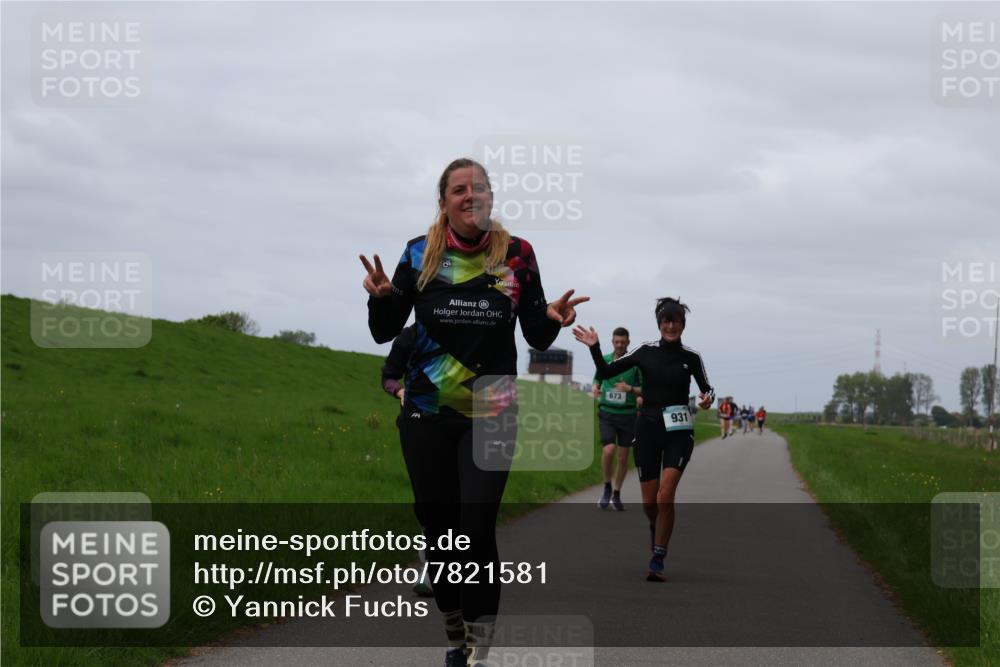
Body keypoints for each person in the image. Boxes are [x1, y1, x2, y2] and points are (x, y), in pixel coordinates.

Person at [361, 157, 587, 667]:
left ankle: (479, 648)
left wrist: (553, 318)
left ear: (490, 198)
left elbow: (534, 332)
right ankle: (452, 629)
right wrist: (380, 298)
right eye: (459, 190)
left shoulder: (518, 254)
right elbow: (384, 328)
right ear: (443, 202)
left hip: (492, 408)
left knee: (477, 529)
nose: (471, 196)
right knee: (441, 533)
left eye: (479, 188)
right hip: (425, 411)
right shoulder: (419, 254)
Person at [573, 296, 714, 582]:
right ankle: (656, 527)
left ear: (683, 325)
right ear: (659, 324)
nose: (671, 326)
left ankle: (658, 556)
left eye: (676, 321)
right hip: (648, 429)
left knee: (665, 495)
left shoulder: (691, 357)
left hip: (678, 431)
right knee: (650, 503)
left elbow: (707, 389)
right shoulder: (645, 351)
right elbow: (608, 370)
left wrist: (708, 398)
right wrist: (595, 348)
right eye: (666, 321)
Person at [380, 324, 434, 598]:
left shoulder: (471, 327)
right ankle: (431, 570)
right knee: (426, 501)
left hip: (466, 426)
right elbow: (389, 376)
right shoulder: (410, 335)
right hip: (418, 426)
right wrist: (399, 392)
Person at [592, 327, 642, 511]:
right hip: (607, 412)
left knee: (623, 458)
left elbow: (643, 389)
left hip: (628, 414)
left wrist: (630, 389)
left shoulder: (635, 364)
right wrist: (596, 387)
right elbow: (597, 379)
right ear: (612, 342)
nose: (619, 345)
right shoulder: (604, 360)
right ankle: (606, 486)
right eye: (616, 342)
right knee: (608, 451)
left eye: (623, 342)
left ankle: (617, 493)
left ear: (628, 342)